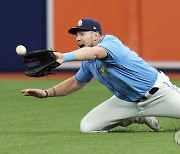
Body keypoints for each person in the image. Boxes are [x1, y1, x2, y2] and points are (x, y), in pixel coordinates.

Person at [22, 18, 180, 133]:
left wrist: (64, 57)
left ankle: (138, 115)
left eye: (82, 34)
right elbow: (76, 83)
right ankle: (138, 116)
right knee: (88, 127)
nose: (77, 38)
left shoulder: (111, 43)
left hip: (159, 94)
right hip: (127, 101)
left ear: (96, 35)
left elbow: (94, 52)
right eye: (76, 35)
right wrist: (45, 93)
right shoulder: (88, 62)